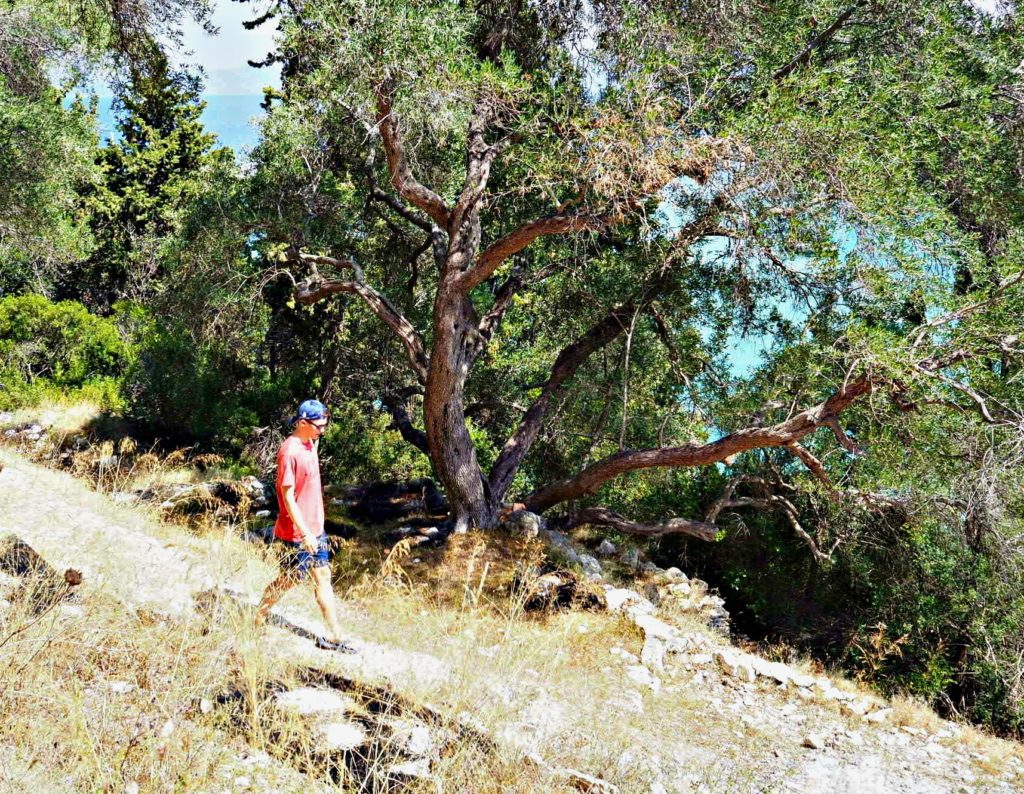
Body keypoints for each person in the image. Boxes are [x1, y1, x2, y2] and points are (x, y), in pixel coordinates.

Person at [255, 399, 356, 653]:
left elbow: (315, 440)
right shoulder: (289, 452)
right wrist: (305, 533)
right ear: (301, 423)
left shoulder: (310, 442)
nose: (322, 430)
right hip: (297, 534)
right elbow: (287, 497)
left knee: (323, 576)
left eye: (325, 425)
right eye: (318, 426)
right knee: (290, 579)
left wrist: (315, 530)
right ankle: (258, 617)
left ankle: (335, 636)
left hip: (315, 529)